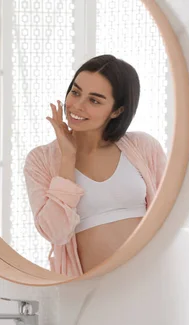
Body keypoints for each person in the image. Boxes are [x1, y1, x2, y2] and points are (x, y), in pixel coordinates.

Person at [24, 54, 166, 277]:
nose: (77, 106)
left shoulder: (143, 147)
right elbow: (56, 233)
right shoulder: (41, 160)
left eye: (94, 100)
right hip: (92, 294)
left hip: (151, 280)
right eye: (76, 92)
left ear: (117, 110)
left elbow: (168, 215)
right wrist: (67, 159)